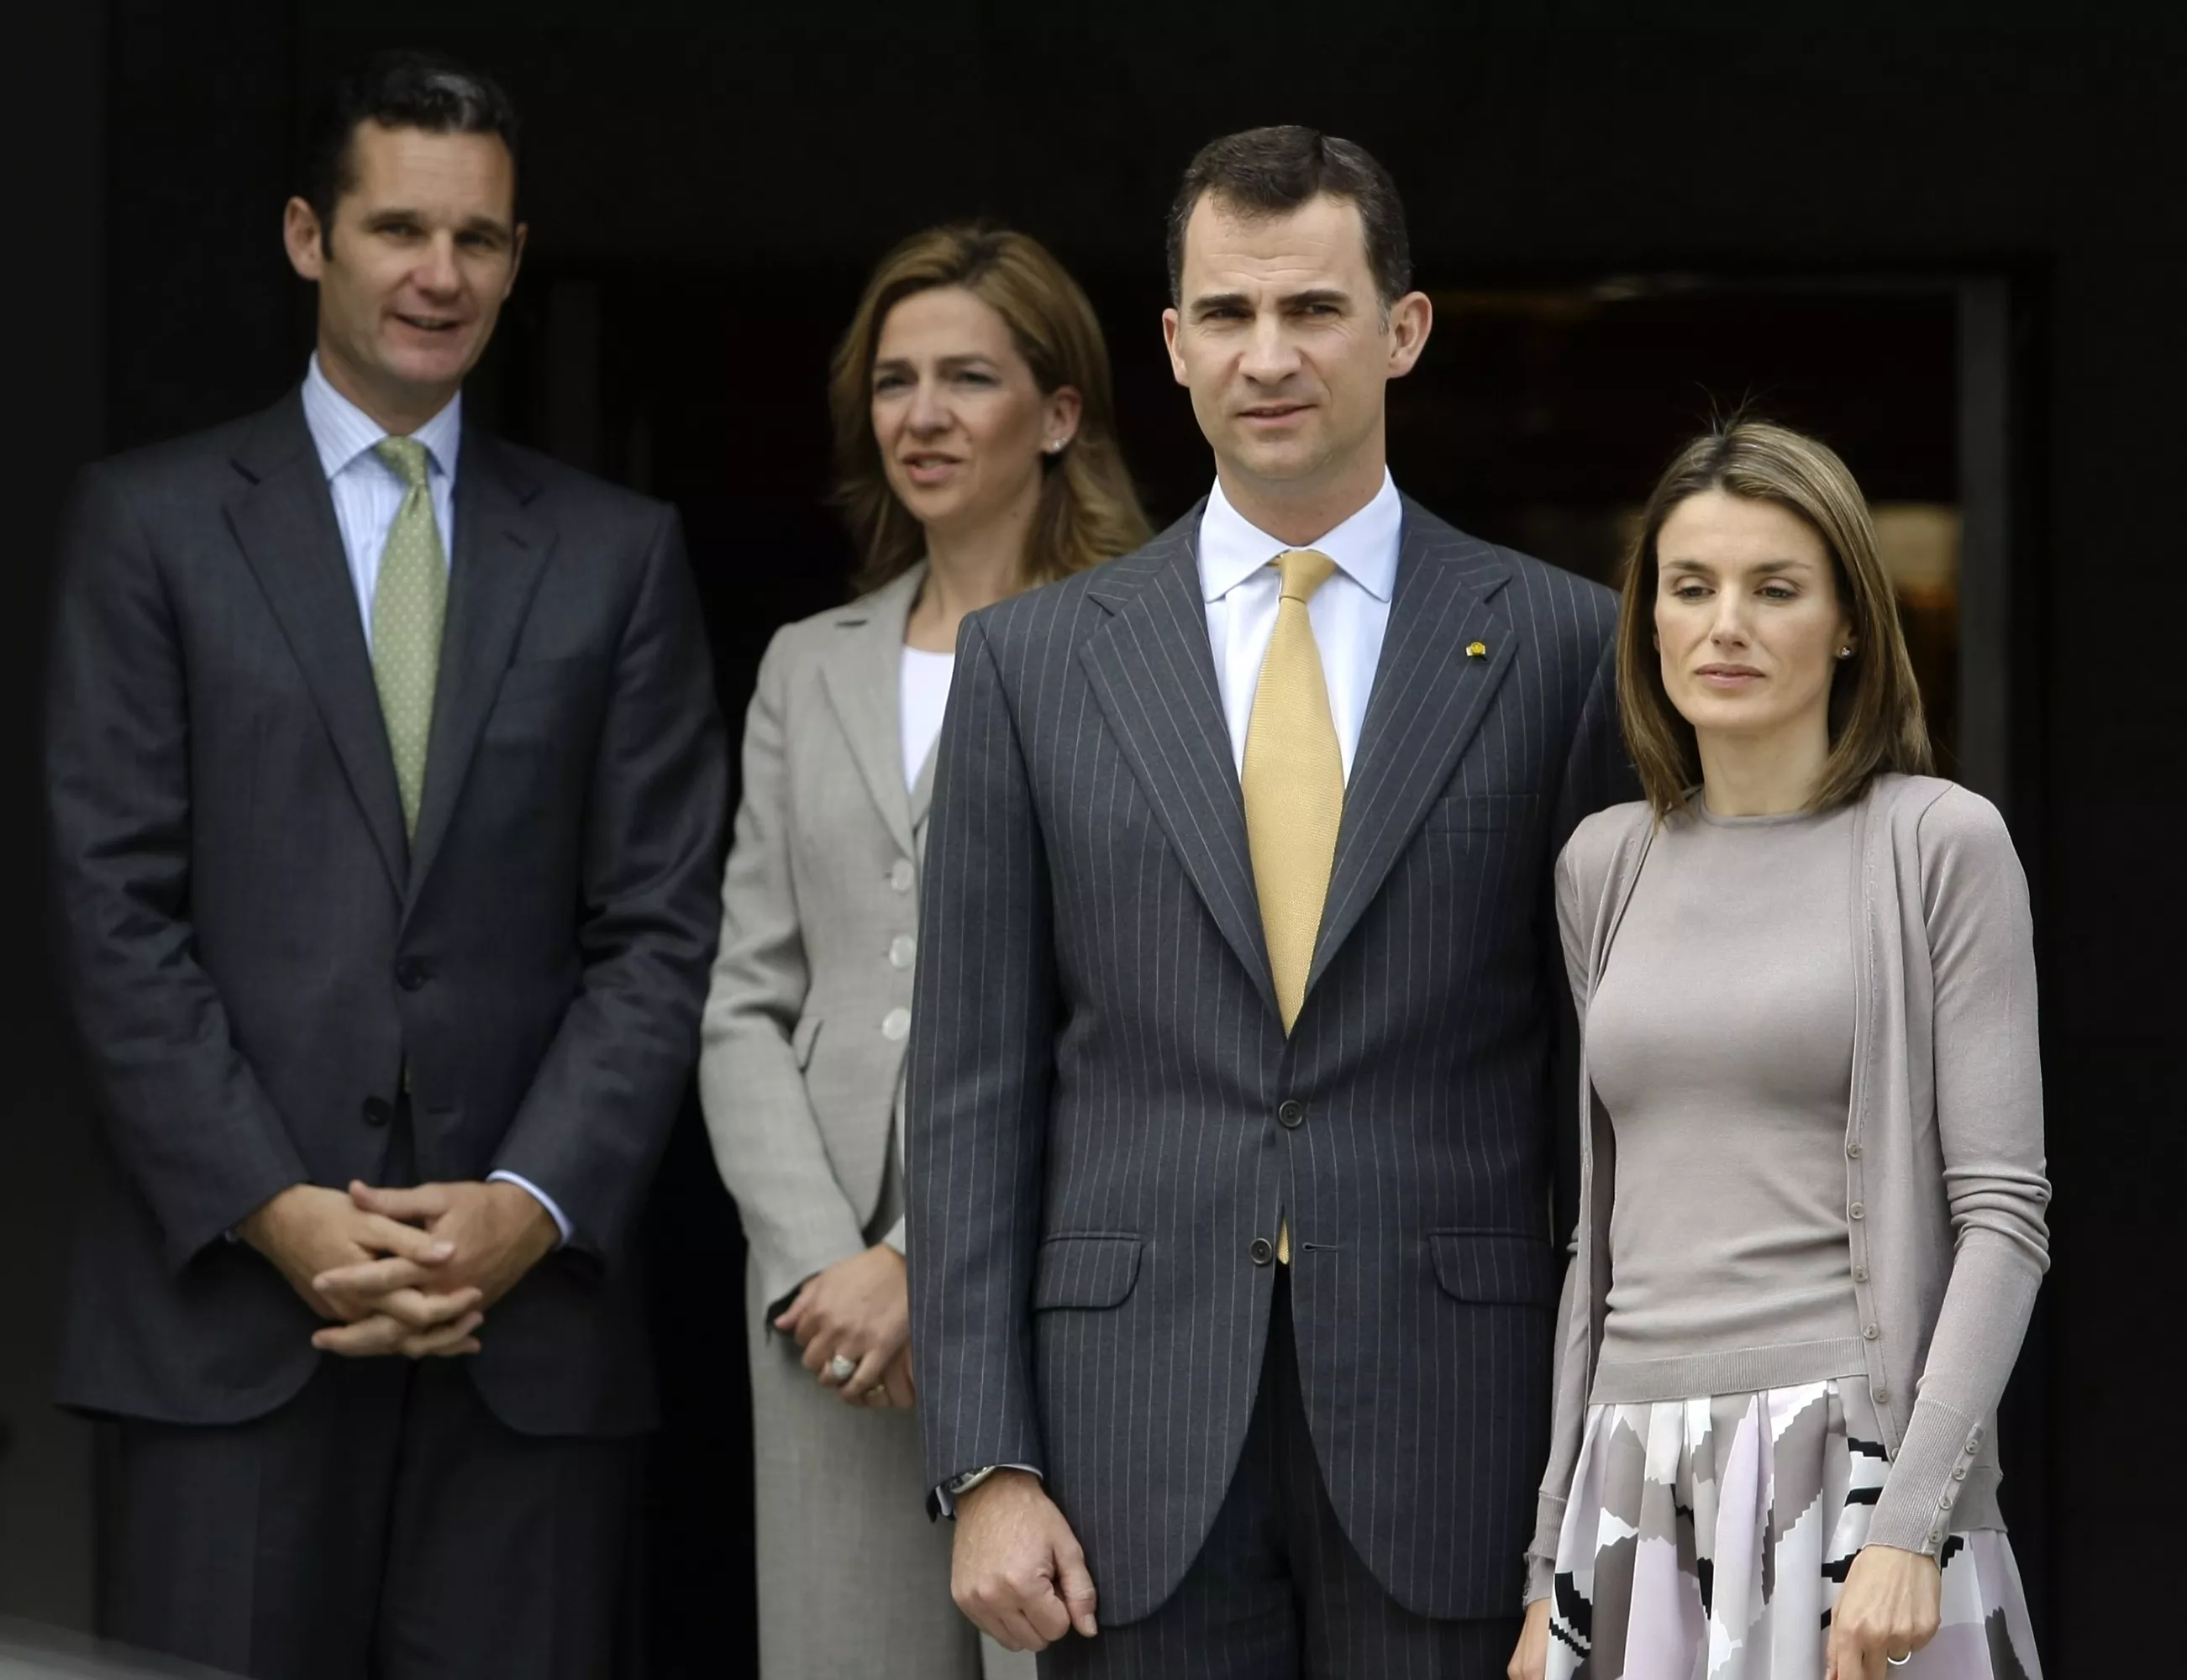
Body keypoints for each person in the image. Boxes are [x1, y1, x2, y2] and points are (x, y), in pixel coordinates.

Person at [905, 126, 1632, 1677]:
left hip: (1462, 1418)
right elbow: (966, 1089)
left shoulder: (1566, 646)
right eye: (1226, 316)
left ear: (1403, 330)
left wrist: (1608, 1449)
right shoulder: (1034, 667)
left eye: (1311, 309)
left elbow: (1605, 1082)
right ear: (1170, 347)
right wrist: (984, 1459)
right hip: (1123, 1440)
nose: (1268, 355)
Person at [43, 51, 728, 1679]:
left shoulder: (619, 555)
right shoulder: (146, 526)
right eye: (398, 228)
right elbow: (108, 905)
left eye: (479, 240)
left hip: (526, 1337)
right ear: (307, 238)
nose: (440, 275)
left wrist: (528, 1202)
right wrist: (280, 1212)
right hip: (226, 1323)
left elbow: (659, 924)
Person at [1509, 420, 2048, 1680]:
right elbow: (1598, 1236)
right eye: (1688, 589)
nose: (1724, 624)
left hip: (1849, 1467)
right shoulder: (1604, 862)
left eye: (1774, 589)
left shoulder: (1938, 844)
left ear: (1850, 621)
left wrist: (1912, 1521)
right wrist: (1550, 1568)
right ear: (1648, 620)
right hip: (1632, 1481)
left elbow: (2003, 1217)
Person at [699, 223, 1150, 1677]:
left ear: (1061, 413)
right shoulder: (804, 659)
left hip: (1045, 1279)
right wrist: (822, 1260)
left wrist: (922, 1264)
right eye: (895, 381)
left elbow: (1127, 1003)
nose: (924, 415)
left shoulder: (1136, 651)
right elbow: (745, 1000)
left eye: (969, 377)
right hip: (821, 1320)